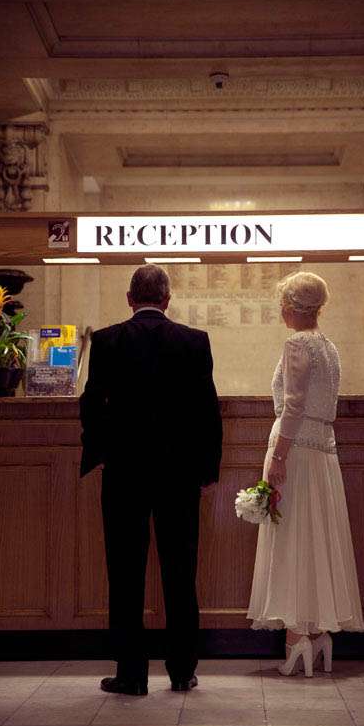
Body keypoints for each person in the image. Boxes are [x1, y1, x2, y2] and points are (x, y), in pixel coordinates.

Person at [80, 264, 222, 696]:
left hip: (125, 474)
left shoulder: (107, 340)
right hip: (178, 475)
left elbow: (92, 405)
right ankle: (182, 670)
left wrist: (99, 453)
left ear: (129, 298)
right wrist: (207, 469)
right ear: (167, 299)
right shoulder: (194, 341)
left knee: (125, 574)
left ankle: (131, 674)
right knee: (180, 571)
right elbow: (207, 411)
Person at [247, 271, 364, 676]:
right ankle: (319, 634)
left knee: (293, 537)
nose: (281, 309)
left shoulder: (297, 343)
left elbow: (293, 405)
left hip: (295, 450)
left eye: (283, 302)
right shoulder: (329, 348)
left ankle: (296, 636)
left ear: (292, 308)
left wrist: (278, 456)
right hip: (323, 452)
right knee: (317, 539)